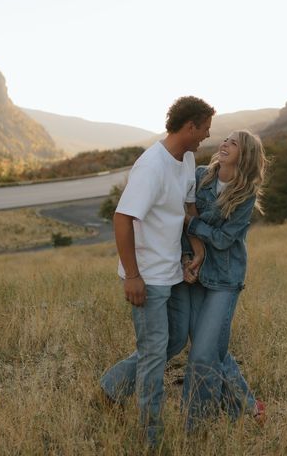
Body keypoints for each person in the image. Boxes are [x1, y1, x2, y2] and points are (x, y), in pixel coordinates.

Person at [100, 95, 215, 447]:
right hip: (147, 275)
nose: (206, 137)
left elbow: (188, 207)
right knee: (153, 353)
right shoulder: (152, 166)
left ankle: (112, 386)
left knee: (175, 339)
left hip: (173, 270)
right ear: (189, 126)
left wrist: (196, 249)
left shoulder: (188, 157)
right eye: (205, 130)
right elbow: (122, 218)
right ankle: (151, 435)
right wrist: (132, 275)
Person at [181, 129, 268, 429]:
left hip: (225, 280)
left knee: (203, 352)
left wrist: (193, 223)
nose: (226, 144)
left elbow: (222, 240)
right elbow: (184, 213)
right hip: (195, 274)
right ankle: (244, 406)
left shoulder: (245, 195)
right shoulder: (202, 175)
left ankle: (196, 428)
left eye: (235, 143)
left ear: (246, 156)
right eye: (226, 139)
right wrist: (188, 258)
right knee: (212, 349)